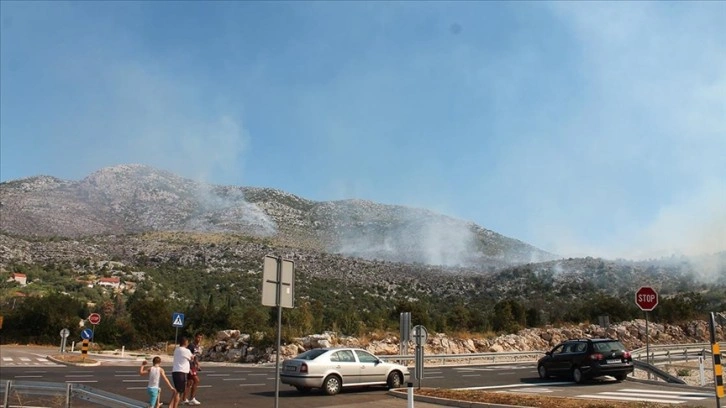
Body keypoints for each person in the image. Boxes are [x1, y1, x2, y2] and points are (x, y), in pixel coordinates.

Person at [169, 337, 193, 408]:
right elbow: (191, 358)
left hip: (175, 371)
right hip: (181, 373)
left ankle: (170, 406)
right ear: (185, 342)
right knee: (179, 392)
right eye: (187, 342)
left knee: (176, 390)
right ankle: (174, 406)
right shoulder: (186, 351)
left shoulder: (176, 349)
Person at [183, 332, 203, 405]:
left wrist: (197, 364)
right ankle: (192, 398)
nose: (199, 339)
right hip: (190, 366)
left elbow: (195, 356)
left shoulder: (197, 346)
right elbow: (187, 354)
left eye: (200, 338)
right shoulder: (191, 345)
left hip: (193, 365)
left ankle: (184, 399)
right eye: (198, 337)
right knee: (196, 381)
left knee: (189, 382)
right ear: (195, 337)